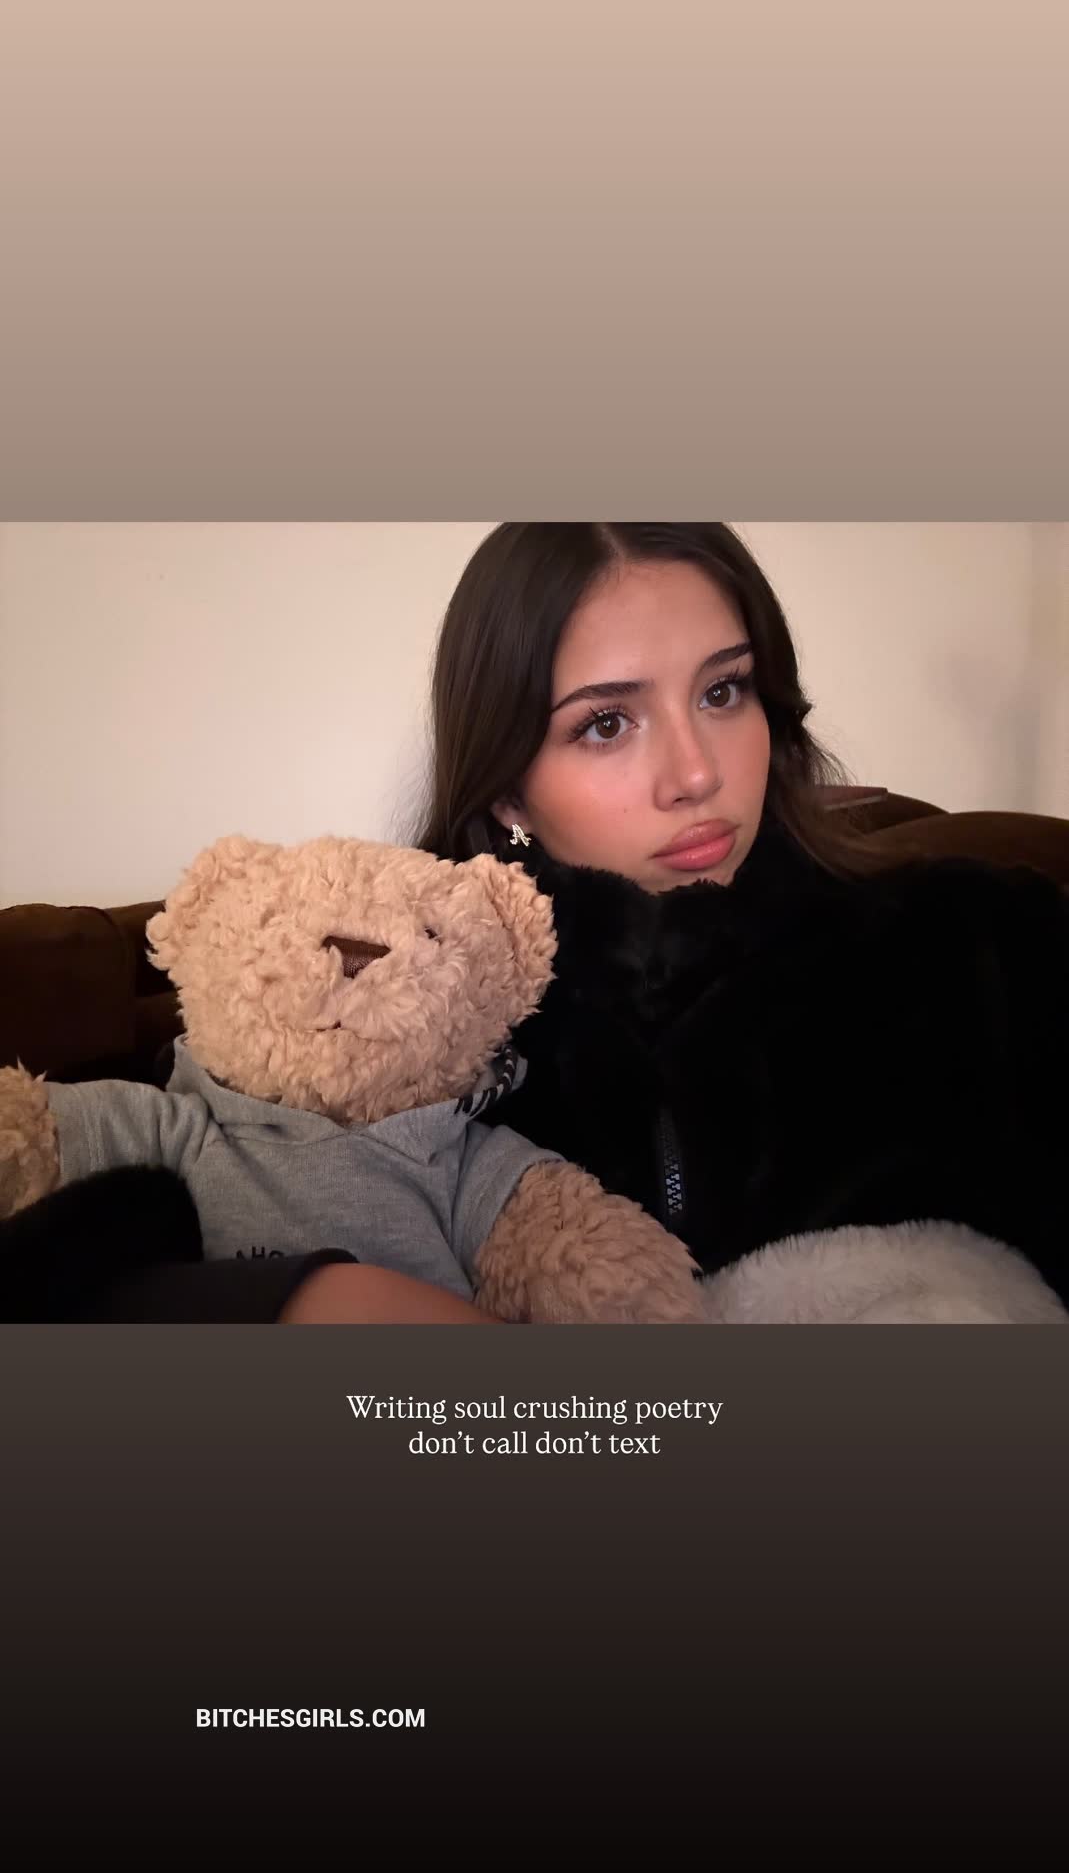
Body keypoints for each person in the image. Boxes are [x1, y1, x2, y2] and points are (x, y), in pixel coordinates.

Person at [414, 522, 1068, 1303]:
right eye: (606, 724)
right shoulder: (412, 1037)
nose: (695, 774)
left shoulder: (982, 944)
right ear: (508, 792)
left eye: (721, 691)